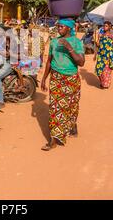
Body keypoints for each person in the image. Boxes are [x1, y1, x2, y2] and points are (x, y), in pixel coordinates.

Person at [40, 19, 85, 151]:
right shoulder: (54, 42)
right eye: (58, 25)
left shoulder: (77, 42)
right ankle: (53, 139)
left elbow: (81, 62)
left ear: (69, 28)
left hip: (71, 79)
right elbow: (49, 61)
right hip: (56, 79)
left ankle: (72, 125)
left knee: (71, 106)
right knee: (55, 109)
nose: (58, 27)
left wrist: (69, 48)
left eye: (61, 26)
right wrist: (43, 78)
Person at [94, 21, 113, 89]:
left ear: (110, 27)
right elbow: (98, 45)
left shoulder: (112, 35)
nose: (105, 27)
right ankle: (103, 82)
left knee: (106, 70)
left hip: (109, 56)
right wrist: (95, 55)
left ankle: (105, 84)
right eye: (104, 26)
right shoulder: (101, 35)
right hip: (101, 55)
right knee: (98, 69)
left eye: (106, 26)